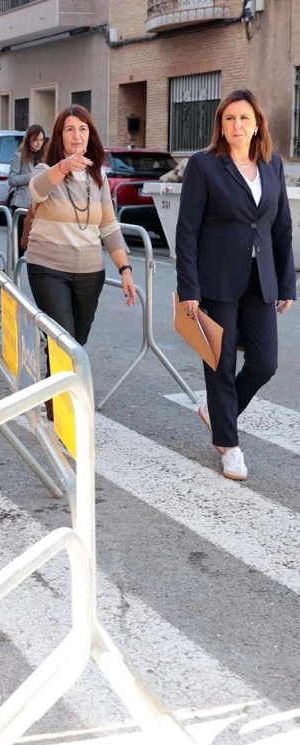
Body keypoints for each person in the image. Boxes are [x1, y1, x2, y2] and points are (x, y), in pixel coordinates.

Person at [176, 89, 295, 482]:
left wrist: (286, 283)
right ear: (221, 126)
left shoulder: (272, 165)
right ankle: (229, 446)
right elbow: (187, 230)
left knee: (265, 362)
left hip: (260, 282)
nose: (236, 125)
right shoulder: (204, 166)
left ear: (258, 123)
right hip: (215, 280)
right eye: (229, 119)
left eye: (244, 118)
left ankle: (215, 413)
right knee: (221, 365)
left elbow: (281, 229)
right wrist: (188, 287)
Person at [26, 105, 136, 419]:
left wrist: (125, 270)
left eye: (83, 129)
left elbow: (109, 226)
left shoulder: (97, 177)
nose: (77, 135)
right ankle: (60, 408)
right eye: (70, 129)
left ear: (91, 136)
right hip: (48, 267)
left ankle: (53, 387)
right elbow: (36, 191)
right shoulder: (45, 170)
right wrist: (63, 167)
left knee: (77, 339)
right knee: (62, 337)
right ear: (60, 135)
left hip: (90, 271)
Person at [8, 124, 45, 253]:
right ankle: (9, 272)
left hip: (40, 207)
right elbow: (12, 179)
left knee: (37, 248)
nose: (38, 143)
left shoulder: (44, 158)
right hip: (22, 205)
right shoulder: (19, 156)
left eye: (41, 140)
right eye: (35, 140)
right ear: (29, 139)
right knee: (19, 247)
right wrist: (33, 176)